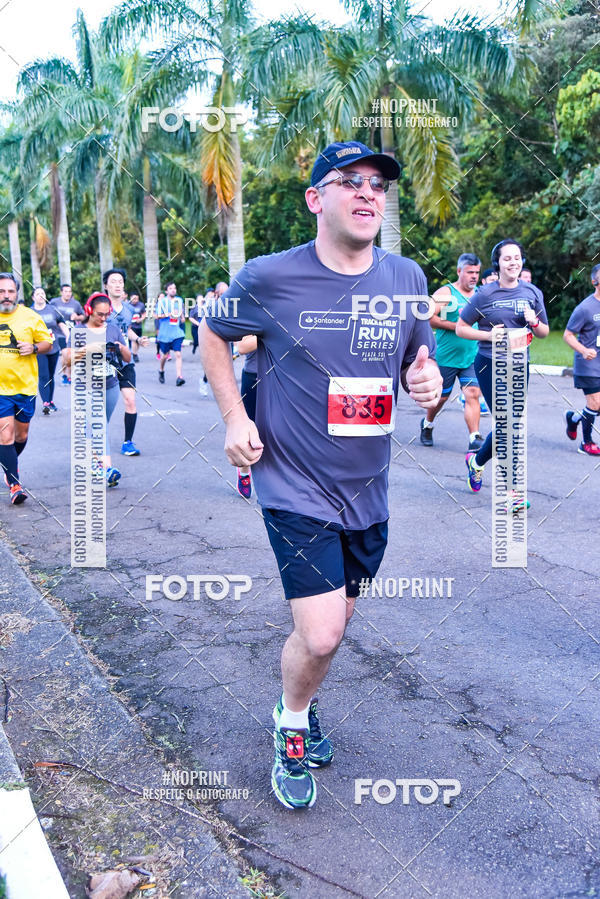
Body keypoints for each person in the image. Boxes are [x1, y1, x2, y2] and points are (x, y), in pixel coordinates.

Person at [200, 140, 442, 810]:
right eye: (350, 181)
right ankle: (291, 726)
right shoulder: (272, 277)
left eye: (378, 185)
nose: (368, 193)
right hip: (294, 486)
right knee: (324, 631)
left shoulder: (407, 279)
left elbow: (418, 369)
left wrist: (430, 383)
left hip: (369, 492)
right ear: (316, 198)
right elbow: (212, 332)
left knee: (336, 622)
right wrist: (232, 418)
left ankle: (297, 701)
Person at [456, 239, 549, 509]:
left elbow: (543, 332)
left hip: (520, 365)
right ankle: (513, 493)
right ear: (498, 263)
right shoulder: (485, 295)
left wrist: (533, 321)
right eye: (507, 258)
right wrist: (489, 335)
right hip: (489, 363)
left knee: (508, 425)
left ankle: (476, 461)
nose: (513, 262)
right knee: (508, 425)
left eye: (517, 257)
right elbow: (462, 327)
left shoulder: (532, 292)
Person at [420, 254, 485, 451]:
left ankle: (474, 437)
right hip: (446, 357)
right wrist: (455, 325)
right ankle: (427, 424)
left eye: (476, 272)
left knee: (472, 393)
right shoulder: (446, 292)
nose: (474, 276)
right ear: (459, 272)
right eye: (469, 272)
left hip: (472, 356)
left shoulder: (481, 295)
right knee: (441, 398)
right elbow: (427, 315)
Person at [66, 294, 131, 486]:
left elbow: (127, 358)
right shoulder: (78, 331)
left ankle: (91, 460)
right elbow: (66, 360)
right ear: (88, 311)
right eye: (99, 314)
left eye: (106, 314)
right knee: (99, 426)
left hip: (110, 385)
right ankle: (106, 470)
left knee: (99, 427)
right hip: (86, 387)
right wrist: (87, 349)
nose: (103, 318)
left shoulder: (113, 329)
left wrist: (119, 347)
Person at [0, 273, 53, 504]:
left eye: (10, 291)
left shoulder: (30, 317)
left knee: (21, 435)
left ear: (17, 293)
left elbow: (47, 343)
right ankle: (15, 484)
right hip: (1, 390)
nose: (6, 296)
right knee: (6, 435)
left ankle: (8, 463)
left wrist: (32, 348)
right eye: (2, 291)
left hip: (25, 388)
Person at [104, 269, 148, 456]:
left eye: (120, 281)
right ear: (106, 285)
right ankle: (96, 441)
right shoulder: (101, 307)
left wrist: (137, 340)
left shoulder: (129, 309)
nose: (118, 284)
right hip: (104, 362)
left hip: (125, 360)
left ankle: (128, 442)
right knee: (103, 406)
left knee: (130, 401)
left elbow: (126, 330)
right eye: (113, 281)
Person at [563, 264, 600, 455]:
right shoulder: (585, 308)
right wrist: (584, 350)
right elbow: (568, 335)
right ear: (595, 281)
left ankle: (574, 419)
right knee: (595, 404)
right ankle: (586, 443)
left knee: (597, 406)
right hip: (588, 364)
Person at [31, 287, 69, 413]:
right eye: (38, 294)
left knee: (51, 376)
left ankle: (50, 401)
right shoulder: (29, 312)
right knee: (43, 375)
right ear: (33, 297)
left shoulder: (53, 309)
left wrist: (68, 336)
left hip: (53, 347)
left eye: (42, 293)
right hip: (38, 348)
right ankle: (45, 403)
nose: (41, 295)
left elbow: (61, 323)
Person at [234, 335, 258, 497]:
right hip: (253, 376)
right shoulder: (250, 311)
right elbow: (242, 347)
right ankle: (244, 473)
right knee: (248, 431)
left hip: (282, 376)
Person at [50, 284, 85, 383]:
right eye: (66, 291)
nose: (68, 294)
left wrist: (77, 317)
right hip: (58, 333)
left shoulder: (75, 304)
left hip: (71, 333)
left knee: (70, 355)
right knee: (65, 354)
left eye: (69, 291)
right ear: (61, 292)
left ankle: (67, 375)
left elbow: (83, 316)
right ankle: (66, 374)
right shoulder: (54, 302)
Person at [157, 281, 185, 385]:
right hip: (165, 333)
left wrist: (182, 317)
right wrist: (169, 314)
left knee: (178, 354)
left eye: (174, 288)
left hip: (176, 332)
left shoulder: (179, 300)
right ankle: (161, 370)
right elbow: (157, 316)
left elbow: (180, 311)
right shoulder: (162, 302)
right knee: (164, 355)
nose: (173, 290)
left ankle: (179, 377)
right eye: (171, 288)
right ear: (166, 291)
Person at [129, 293, 146, 362]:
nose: (135, 300)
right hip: (131, 326)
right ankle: (134, 354)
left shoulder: (141, 305)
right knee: (134, 340)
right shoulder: (127, 305)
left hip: (138, 326)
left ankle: (135, 353)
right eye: (134, 298)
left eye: (137, 299)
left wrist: (141, 319)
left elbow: (144, 313)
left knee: (138, 341)